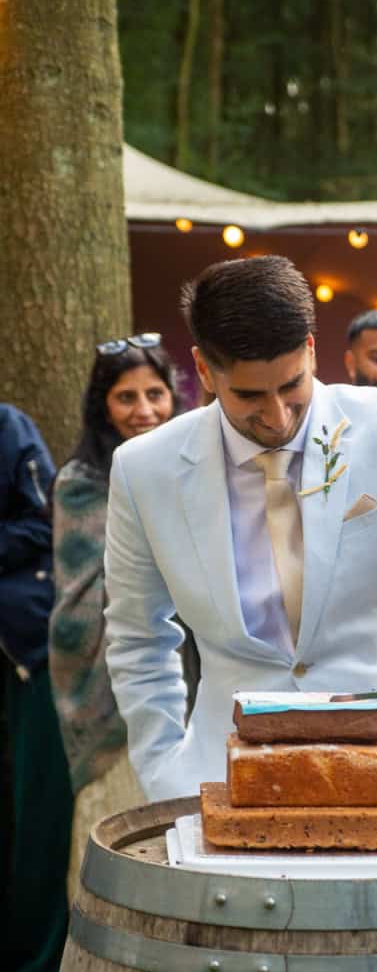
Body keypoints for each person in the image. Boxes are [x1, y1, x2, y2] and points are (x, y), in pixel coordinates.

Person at [103, 255, 377, 805]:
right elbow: (137, 636)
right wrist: (162, 768)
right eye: (248, 396)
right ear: (203, 370)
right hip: (230, 776)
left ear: (312, 352)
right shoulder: (143, 469)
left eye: (292, 386)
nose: (276, 417)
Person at [49, 335, 187, 900]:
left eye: (155, 393)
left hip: (196, 668)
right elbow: (82, 598)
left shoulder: (191, 467)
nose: (145, 410)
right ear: (102, 406)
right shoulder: (82, 481)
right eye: (126, 397)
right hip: (109, 675)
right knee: (118, 814)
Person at [0, 405, 72, 972]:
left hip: (22, 648)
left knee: (35, 809)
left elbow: (39, 518)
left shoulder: (7, 427)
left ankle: (35, 964)